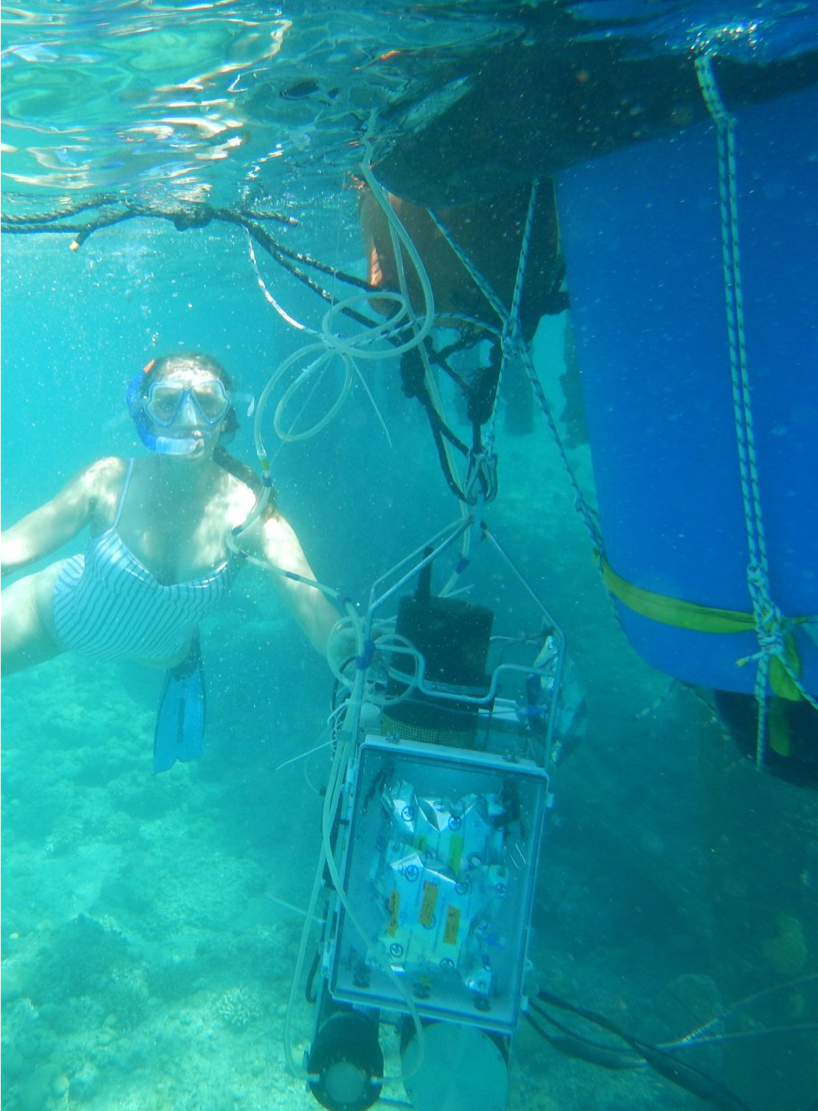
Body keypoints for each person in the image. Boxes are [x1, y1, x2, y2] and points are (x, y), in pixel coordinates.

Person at [1, 352, 342, 771]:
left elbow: (314, 608)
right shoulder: (108, 480)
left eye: (207, 401)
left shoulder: (251, 512)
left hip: (163, 651)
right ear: (145, 414)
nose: (189, 419)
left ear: (225, 414)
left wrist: (352, 652)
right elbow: (11, 549)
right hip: (51, 620)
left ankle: (187, 656)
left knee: (173, 646)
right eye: (167, 403)